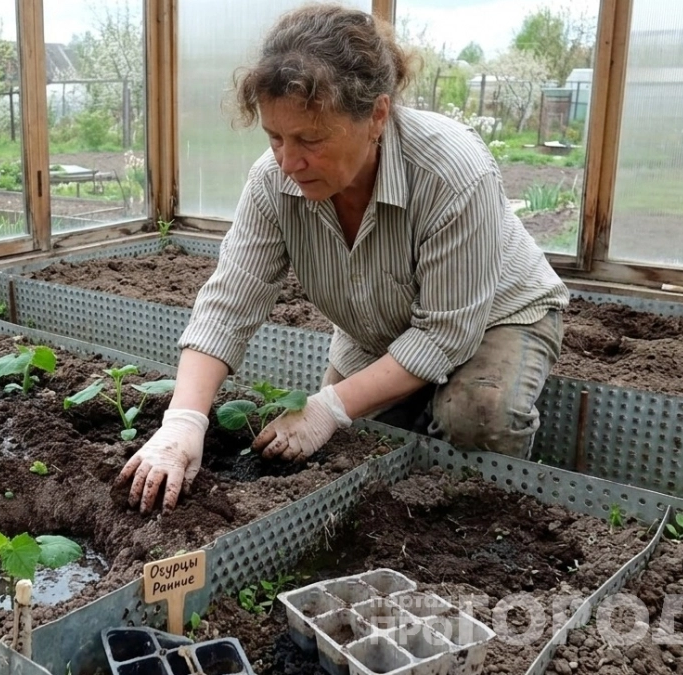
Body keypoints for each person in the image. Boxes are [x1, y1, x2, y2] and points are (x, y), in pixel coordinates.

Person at [117, 3, 570, 514]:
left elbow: (446, 333)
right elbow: (229, 304)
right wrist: (183, 423)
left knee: (475, 417)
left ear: (376, 115)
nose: (289, 162)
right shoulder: (273, 183)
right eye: (275, 138)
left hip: (498, 317)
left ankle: (491, 509)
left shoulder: (450, 172)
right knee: (353, 454)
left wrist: (330, 406)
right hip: (379, 327)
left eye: (310, 139)